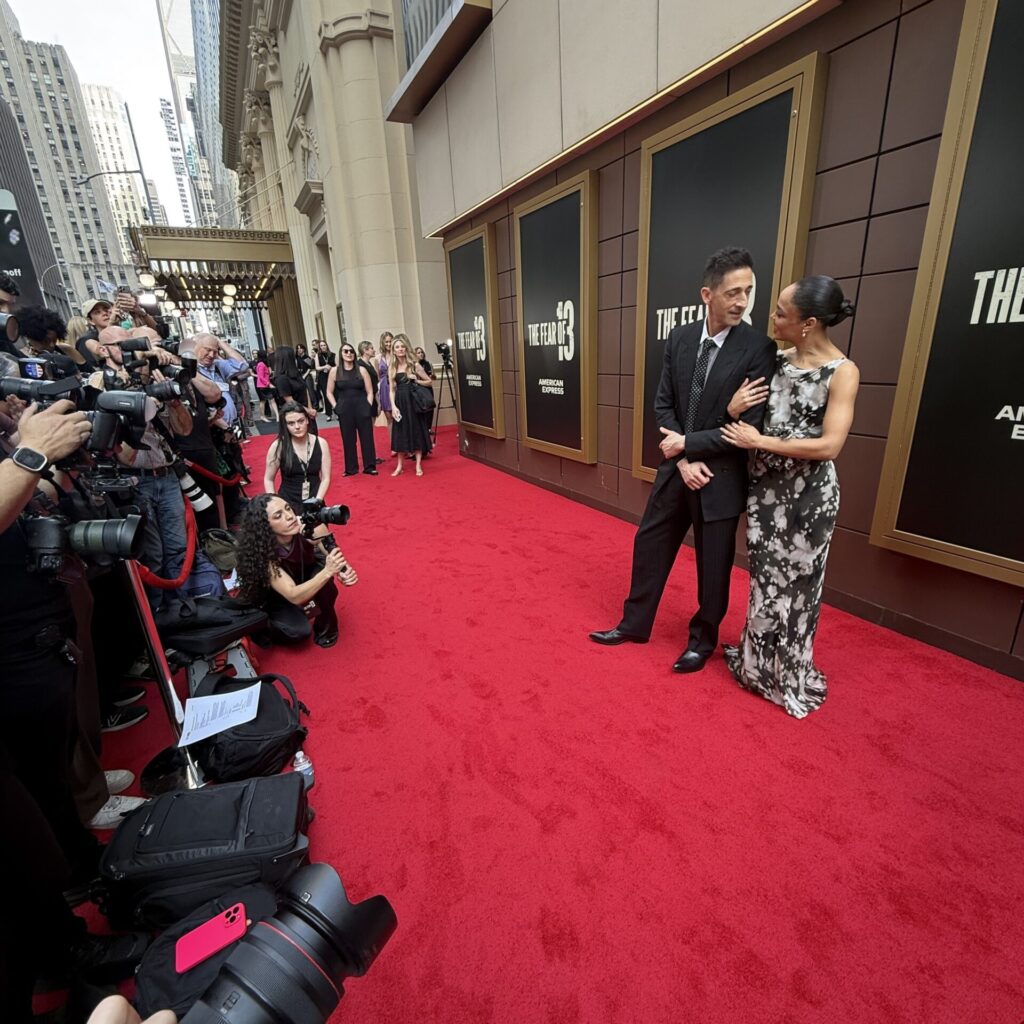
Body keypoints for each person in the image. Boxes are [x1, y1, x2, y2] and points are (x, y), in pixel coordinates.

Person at [589, 247, 777, 673]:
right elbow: (663, 406)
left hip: (721, 476)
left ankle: (702, 641)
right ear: (707, 294)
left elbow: (748, 427)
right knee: (649, 545)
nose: (742, 301)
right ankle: (633, 624)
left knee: (714, 569)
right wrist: (684, 459)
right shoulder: (680, 338)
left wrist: (688, 445)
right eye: (732, 292)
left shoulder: (758, 349)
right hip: (679, 470)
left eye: (747, 291)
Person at [720, 276, 860, 718]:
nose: (773, 318)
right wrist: (733, 409)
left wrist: (759, 441)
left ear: (809, 323)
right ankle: (756, 667)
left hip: (809, 500)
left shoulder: (843, 372)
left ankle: (790, 675)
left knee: (799, 588)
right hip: (766, 495)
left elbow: (829, 446)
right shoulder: (774, 361)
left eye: (782, 312)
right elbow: (738, 416)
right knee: (763, 582)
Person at [237, 492, 357, 648]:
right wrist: (328, 571)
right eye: (278, 516)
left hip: (304, 573)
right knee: (298, 632)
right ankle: (263, 625)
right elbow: (293, 595)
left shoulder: (309, 526)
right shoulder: (262, 552)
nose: (289, 516)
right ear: (265, 525)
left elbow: (333, 554)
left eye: (288, 508)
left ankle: (326, 626)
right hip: (279, 596)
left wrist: (343, 571)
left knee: (327, 585)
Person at [263, 401, 332, 505]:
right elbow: (268, 479)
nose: (297, 427)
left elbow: (326, 478)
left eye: (301, 421)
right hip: (287, 503)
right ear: (285, 425)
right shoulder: (278, 446)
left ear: (307, 420)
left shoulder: (321, 443)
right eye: (291, 423)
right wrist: (275, 503)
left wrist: (318, 500)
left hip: (315, 500)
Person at [327, 342, 378, 475]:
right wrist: (335, 406)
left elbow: (370, 391)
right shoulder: (335, 371)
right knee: (348, 439)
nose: (349, 353)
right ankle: (351, 468)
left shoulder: (361, 370)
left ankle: (370, 466)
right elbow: (328, 392)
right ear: (341, 354)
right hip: (344, 408)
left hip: (362, 406)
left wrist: (368, 405)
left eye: (351, 351)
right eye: (345, 351)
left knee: (367, 437)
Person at [387, 334, 433, 476]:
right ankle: (399, 466)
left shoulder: (415, 365)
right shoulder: (392, 367)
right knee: (400, 433)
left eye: (402, 347)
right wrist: (393, 407)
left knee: (417, 431)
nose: (400, 349)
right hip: (400, 402)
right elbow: (391, 390)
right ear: (393, 351)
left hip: (413, 402)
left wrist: (416, 380)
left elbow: (429, 381)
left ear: (406, 349)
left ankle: (418, 465)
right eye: (397, 347)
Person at [193, 333, 250, 426]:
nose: (211, 355)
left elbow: (243, 366)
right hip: (213, 427)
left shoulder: (217, 366)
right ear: (195, 347)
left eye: (215, 351)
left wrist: (219, 342)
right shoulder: (189, 373)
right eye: (207, 350)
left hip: (232, 425)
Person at [17, 304, 80, 377]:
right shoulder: (21, 359)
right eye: (45, 342)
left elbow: (88, 371)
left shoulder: (66, 350)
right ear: (31, 338)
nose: (52, 345)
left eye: (54, 340)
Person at [272, 345, 317, 422]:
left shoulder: (296, 373)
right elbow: (290, 401)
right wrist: (307, 411)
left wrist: (310, 408)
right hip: (293, 415)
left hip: (306, 412)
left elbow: (305, 390)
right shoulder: (281, 378)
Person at [313, 339, 335, 417]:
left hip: (332, 375)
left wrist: (331, 368)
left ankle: (337, 412)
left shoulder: (332, 355)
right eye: (321, 346)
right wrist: (325, 366)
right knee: (326, 394)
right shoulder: (318, 355)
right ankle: (329, 414)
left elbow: (336, 366)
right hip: (323, 376)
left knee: (335, 393)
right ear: (319, 347)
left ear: (327, 346)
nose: (323, 347)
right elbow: (317, 367)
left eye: (324, 345)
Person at [377, 331, 394, 427]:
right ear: (382, 343)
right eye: (386, 342)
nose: (388, 344)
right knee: (389, 419)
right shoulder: (378, 358)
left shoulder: (397, 356)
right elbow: (378, 377)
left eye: (390, 341)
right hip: (384, 389)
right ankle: (393, 442)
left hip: (396, 387)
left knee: (400, 417)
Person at [254, 351, 277, 421]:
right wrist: (269, 384)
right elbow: (261, 376)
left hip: (264, 385)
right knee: (264, 401)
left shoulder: (262, 364)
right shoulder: (261, 364)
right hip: (263, 386)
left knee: (268, 400)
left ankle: (276, 416)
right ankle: (263, 416)